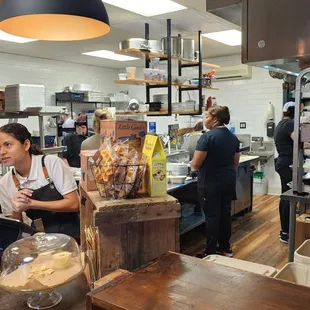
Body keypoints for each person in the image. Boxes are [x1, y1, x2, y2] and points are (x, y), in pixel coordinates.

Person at [0, 123, 80, 239]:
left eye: (8, 145)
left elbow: (74, 204)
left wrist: (32, 204)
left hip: (71, 234)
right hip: (39, 238)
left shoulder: (50, 164)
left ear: (26, 145)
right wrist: (16, 209)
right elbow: (14, 228)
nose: (2, 152)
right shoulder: (5, 182)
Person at [191, 106, 240, 257]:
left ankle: (211, 251)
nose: (204, 120)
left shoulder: (207, 137)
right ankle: (225, 248)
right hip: (228, 180)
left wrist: (192, 167)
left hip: (211, 182)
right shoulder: (233, 137)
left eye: (206, 116)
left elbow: (196, 164)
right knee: (225, 214)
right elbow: (235, 163)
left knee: (212, 216)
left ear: (215, 119)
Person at [274, 101, 296, 244]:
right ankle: (286, 232)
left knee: (286, 196)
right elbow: (299, 140)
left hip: (283, 162)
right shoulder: (289, 124)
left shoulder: (282, 123)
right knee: (287, 197)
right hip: (287, 163)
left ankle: (287, 230)